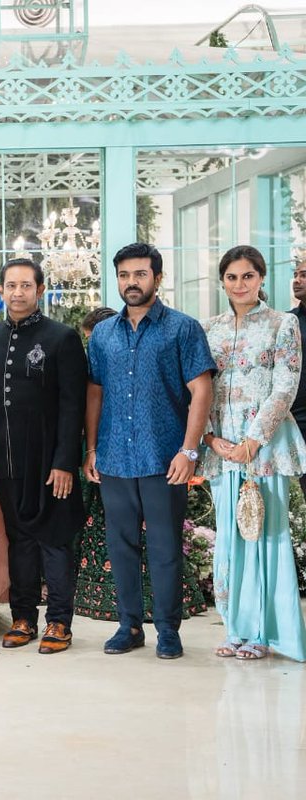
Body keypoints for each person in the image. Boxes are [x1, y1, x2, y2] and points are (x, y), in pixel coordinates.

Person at [85, 243, 215, 660]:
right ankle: (129, 626)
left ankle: (167, 630)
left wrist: (188, 451)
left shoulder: (183, 328)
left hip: (165, 459)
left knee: (163, 547)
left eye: (140, 274)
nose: (131, 283)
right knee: (120, 545)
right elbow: (95, 393)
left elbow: (201, 391)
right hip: (114, 459)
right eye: (124, 275)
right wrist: (91, 449)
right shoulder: (103, 333)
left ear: (157, 278)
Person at [201, 246, 306, 662]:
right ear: (222, 282)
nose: (240, 284)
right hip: (223, 449)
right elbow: (198, 388)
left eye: (248, 276)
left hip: (264, 449)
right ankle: (236, 628)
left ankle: (265, 632)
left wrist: (254, 440)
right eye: (232, 277)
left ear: (261, 279)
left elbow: (286, 386)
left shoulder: (284, 324)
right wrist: (211, 439)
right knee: (230, 539)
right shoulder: (209, 329)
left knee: (266, 537)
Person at [0, 259, 86, 654]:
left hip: (50, 461)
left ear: (40, 291)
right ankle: (23, 616)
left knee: (54, 540)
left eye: (26, 286)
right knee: (19, 541)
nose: (18, 292)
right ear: (0, 291)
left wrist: (64, 462)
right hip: (6, 462)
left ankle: (59, 621)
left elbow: (74, 406)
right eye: (11, 285)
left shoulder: (62, 338)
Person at [289, 254, 306, 498]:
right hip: (297, 420)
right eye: (295, 274)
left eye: (304, 275)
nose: (297, 280)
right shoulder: (288, 321)